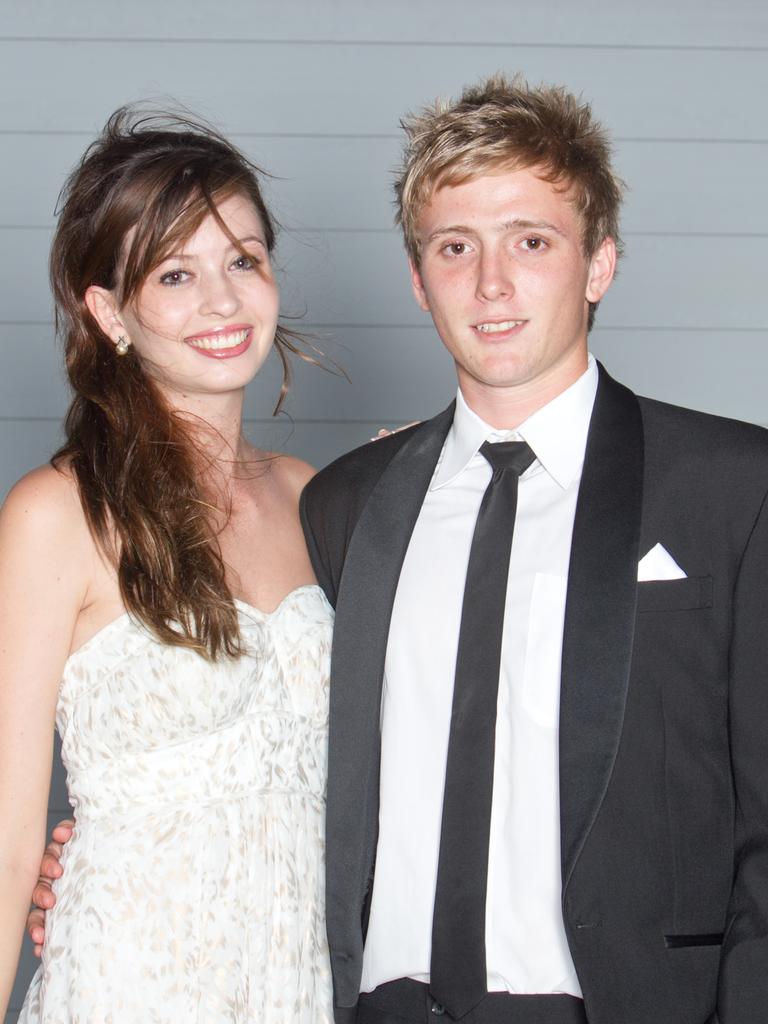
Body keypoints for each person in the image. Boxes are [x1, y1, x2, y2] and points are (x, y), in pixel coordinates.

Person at [30, 75, 768, 1023]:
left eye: (531, 242)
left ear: (601, 263)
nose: (491, 283)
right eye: (455, 247)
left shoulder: (732, 485)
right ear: (418, 280)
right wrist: (100, 850)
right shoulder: (353, 504)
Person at [1, 108, 334, 1022]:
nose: (225, 303)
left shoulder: (325, 500)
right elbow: (6, 837)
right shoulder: (55, 515)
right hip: (126, 986)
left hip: (298, 989)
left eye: (244, 260)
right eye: (176, 274)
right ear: (109, 310)